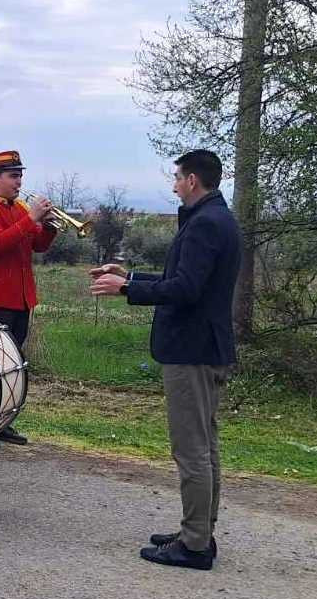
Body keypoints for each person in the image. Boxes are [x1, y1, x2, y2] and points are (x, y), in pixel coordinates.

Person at [90, 149, 240, 571]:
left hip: (191, 351)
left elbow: (185, 290)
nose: (174, 185)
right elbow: (184, 280)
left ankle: (194, 545)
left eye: (177, 178)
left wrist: (125, 292)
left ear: (193, 180)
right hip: (205, 348)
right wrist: (129, 279)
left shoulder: (205, 224)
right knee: (205, 447)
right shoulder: (217, 218)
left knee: (192, 449)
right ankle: (199, 532)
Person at [0, 150, 58, 445]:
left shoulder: (18, 209)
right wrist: (31, 218)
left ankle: (1, 421)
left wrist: (51, 226)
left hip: (19, 299)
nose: (19, 182)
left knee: (10, 366)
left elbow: (38, 246)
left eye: (20, 175)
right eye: (13, 176)